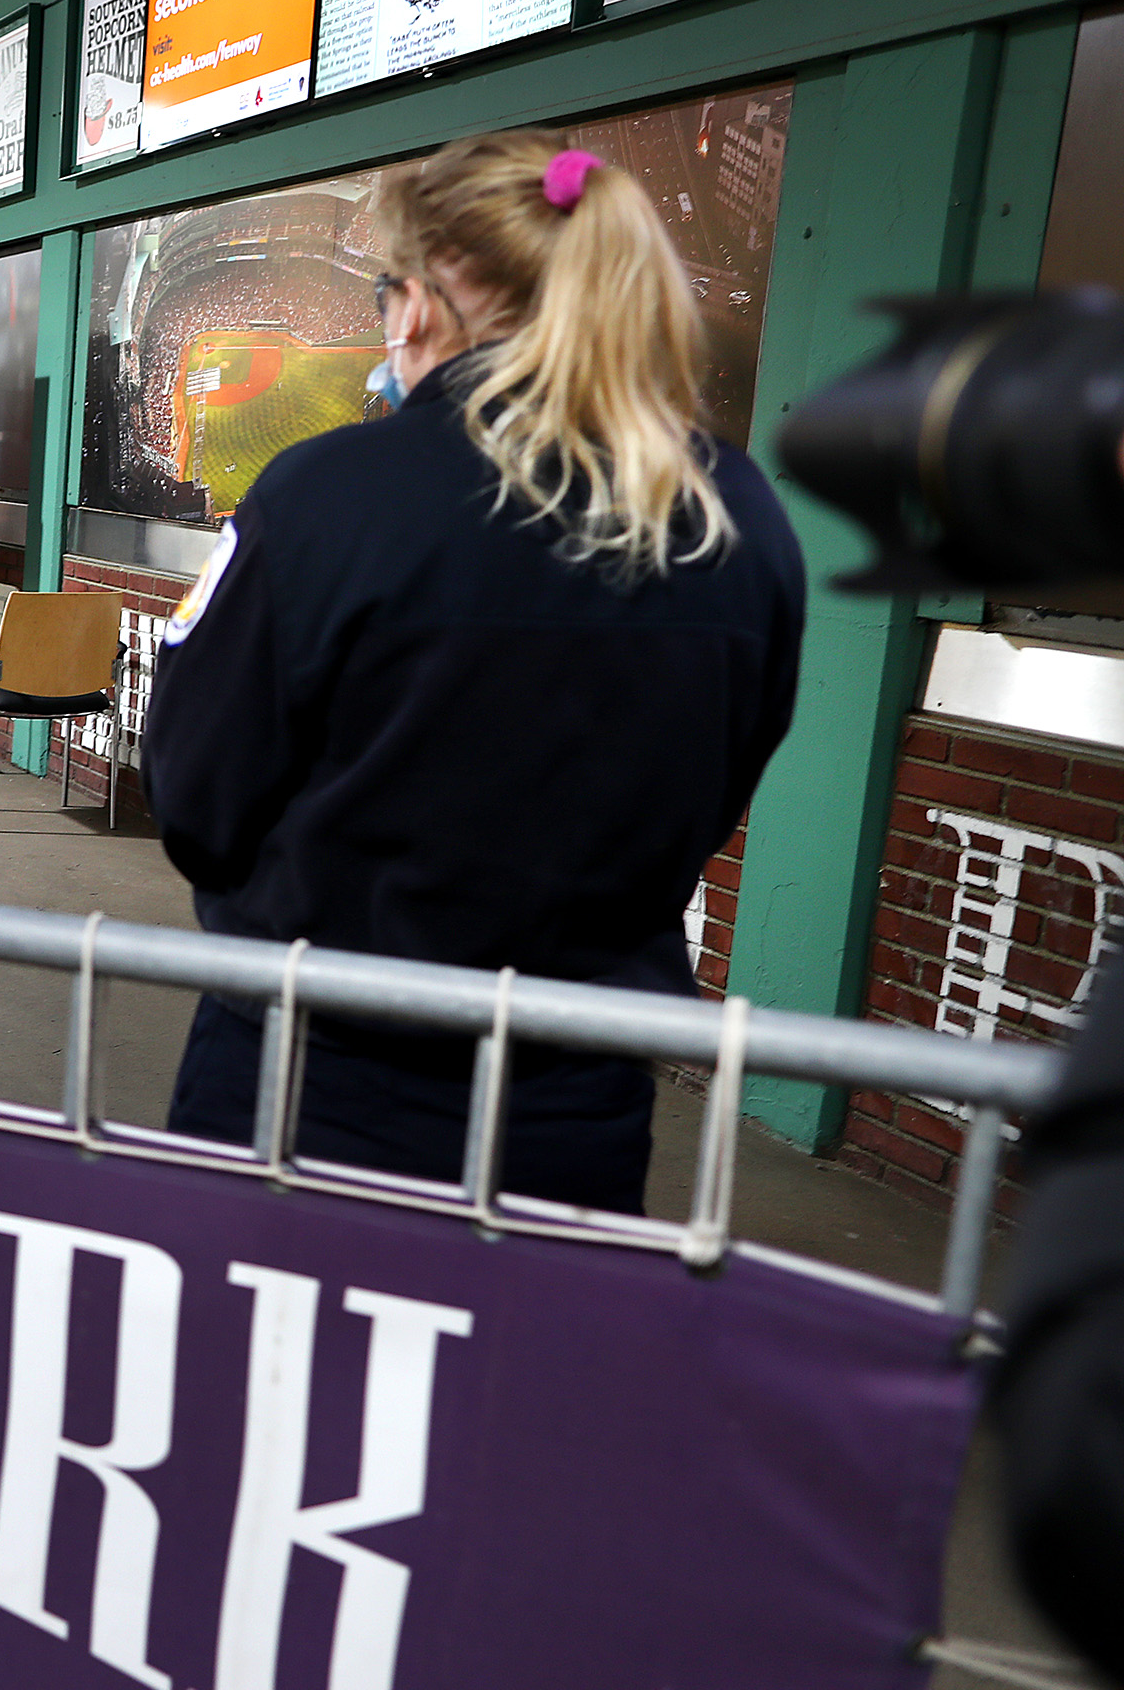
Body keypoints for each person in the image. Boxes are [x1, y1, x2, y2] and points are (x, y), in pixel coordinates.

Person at [141, 131, 806, 1214]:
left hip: (309, 1087)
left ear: (419, 305)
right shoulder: (739, 518)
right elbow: (716, 791)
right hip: (573, 1111)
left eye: (383, 292)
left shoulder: (325, 495)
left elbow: (196, 797)